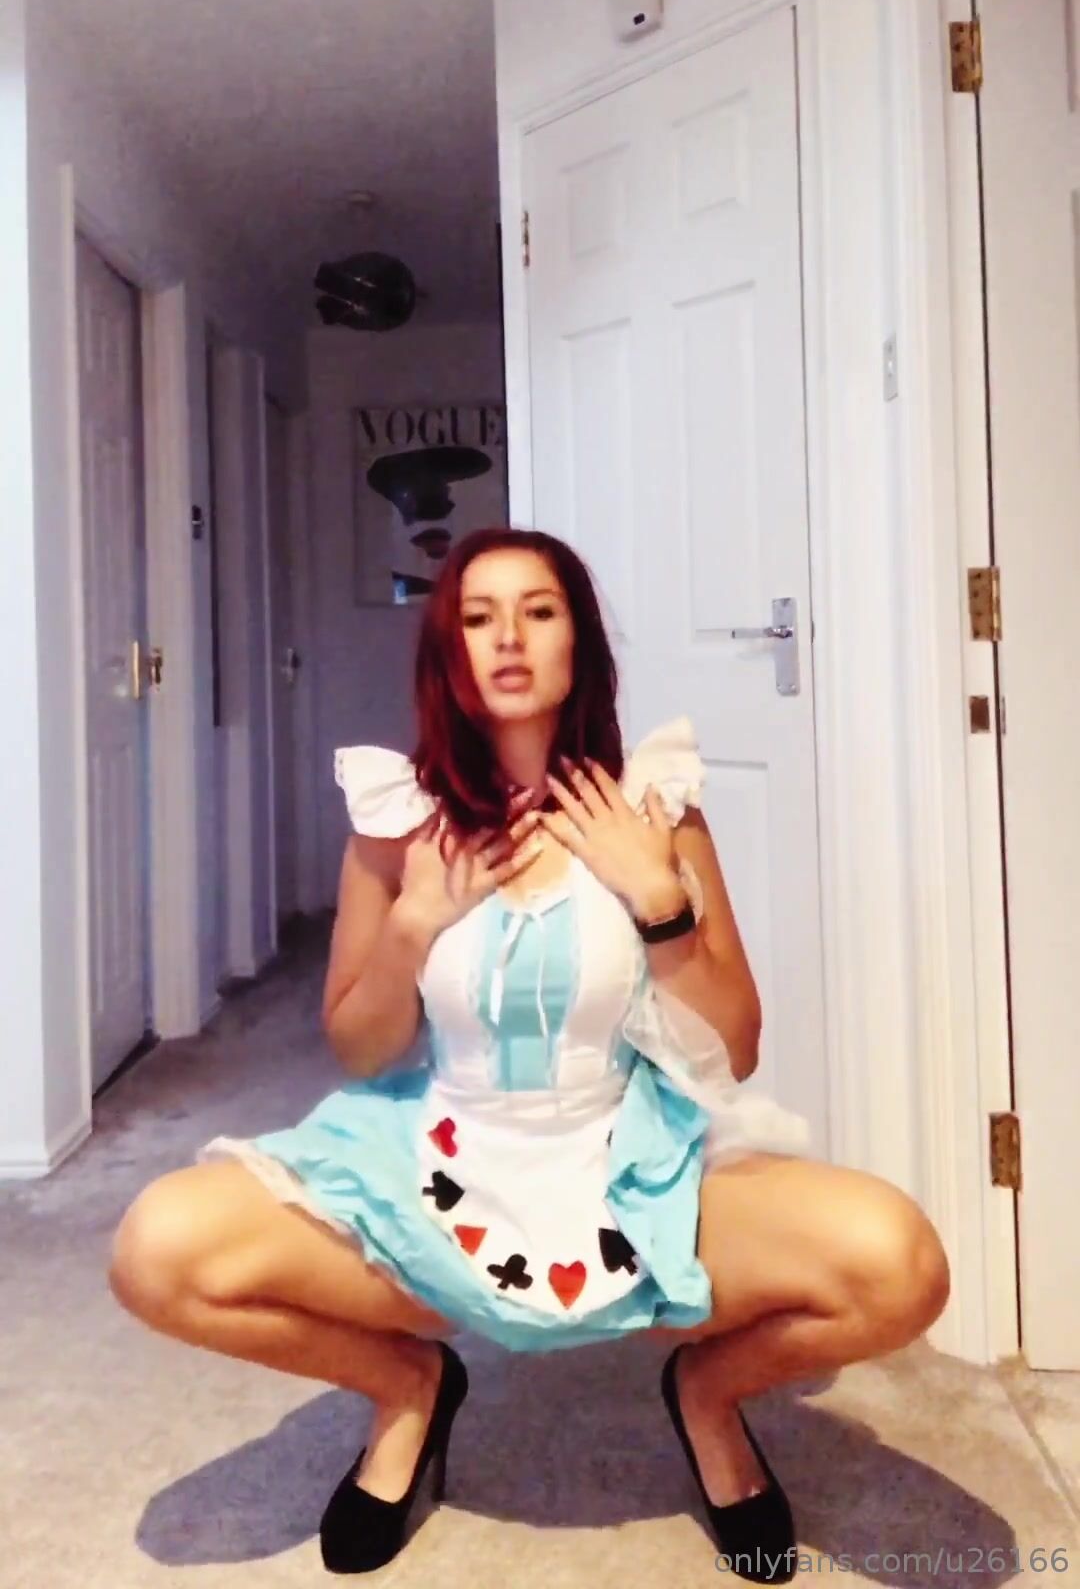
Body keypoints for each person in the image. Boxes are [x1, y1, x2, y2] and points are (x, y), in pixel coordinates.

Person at [109, 525, 950, 1581]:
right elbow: (362, 1048)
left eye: (538, 611)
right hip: (438, 1159)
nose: (507, 637)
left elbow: (733, 1047)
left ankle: (707, 1395)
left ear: (577, 643)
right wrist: (414, 925)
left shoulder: (654, 811)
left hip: (630, 1161)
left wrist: (659, 902)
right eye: (478, 616)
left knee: (901, 1267)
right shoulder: (399, 821)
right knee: (157, 1252)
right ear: (448, 652)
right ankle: (410, 1389)